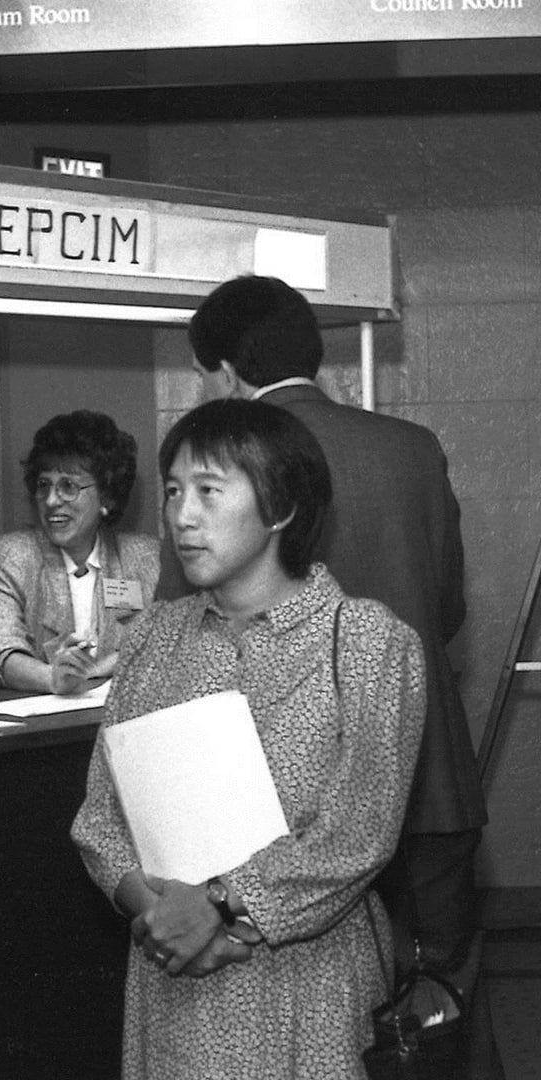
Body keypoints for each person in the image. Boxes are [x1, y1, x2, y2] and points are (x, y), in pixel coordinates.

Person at [159, 274, 497, 1075]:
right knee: (443, 1005)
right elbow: (446, 609)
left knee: (327, 1018)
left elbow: (199, 640)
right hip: (432, 782)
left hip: (292, 803)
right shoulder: (413, 448)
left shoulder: (229, 462)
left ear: (226, 371)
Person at [72, 398, 426, 1079]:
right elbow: (99, 818)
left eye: (209, 491)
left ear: (282, 506)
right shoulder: (152, 638)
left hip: (305, 987)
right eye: (174, 491)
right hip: (169, 977)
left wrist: (215, 905)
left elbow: (359, 834)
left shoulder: (364, 644)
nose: (182, 516)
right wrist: (163, 918)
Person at [0, 409, 160, 694]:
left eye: (68, 487)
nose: (50, 501)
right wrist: (53, 678)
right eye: (44, 485)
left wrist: (98, 668)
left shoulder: (145, 558)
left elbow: (163, 642)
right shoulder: (12, 557)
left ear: (107, 496)